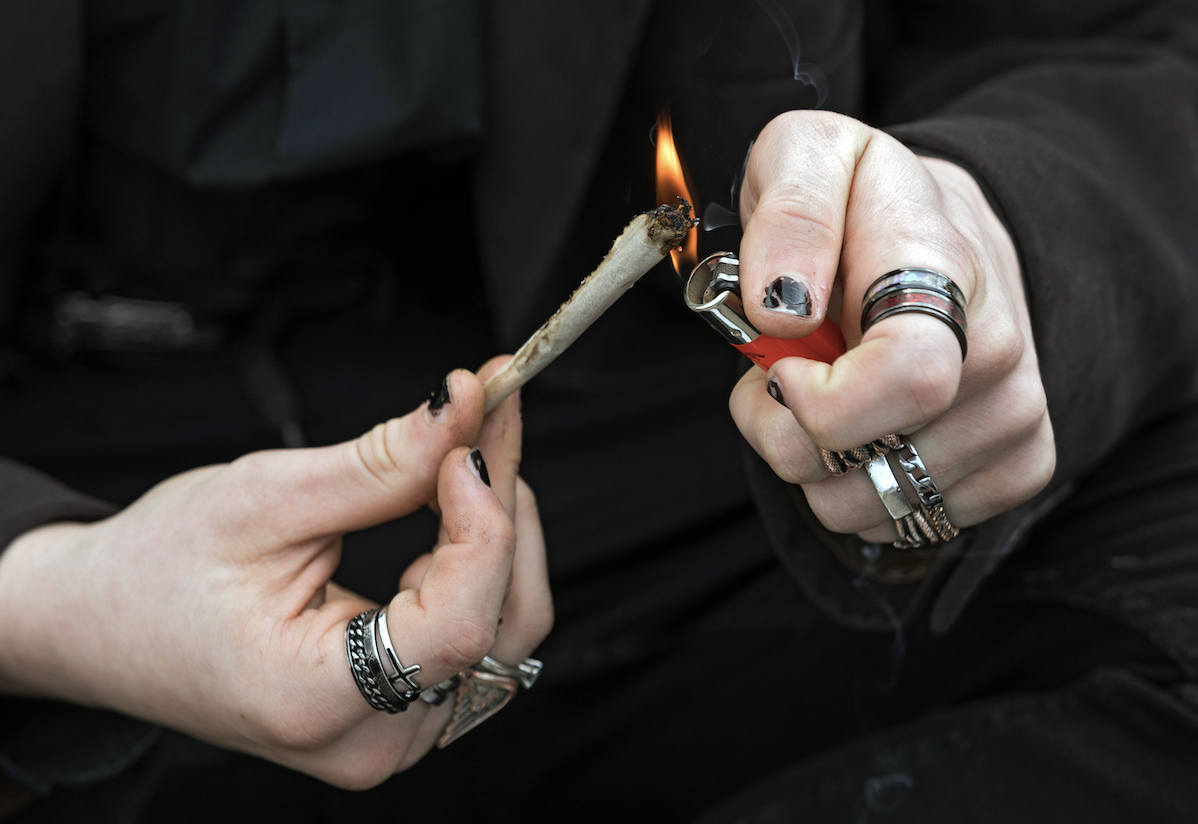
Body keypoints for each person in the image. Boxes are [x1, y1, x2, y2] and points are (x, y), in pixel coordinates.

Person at [2, 0, 1198, 821]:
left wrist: (983, 230)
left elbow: (1113, 38)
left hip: (633, 451)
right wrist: (51, 593)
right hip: (58, 469)